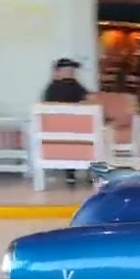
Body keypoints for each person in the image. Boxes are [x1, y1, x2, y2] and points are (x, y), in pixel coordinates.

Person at [41, 58, 90, 187]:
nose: (71, 73)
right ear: (58, 72)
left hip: (71, 128)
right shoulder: (62, 87)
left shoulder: (70, 85)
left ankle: (74, 173)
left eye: (72, 70)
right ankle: (78, 172)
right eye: (68, 70)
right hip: (69, 128)